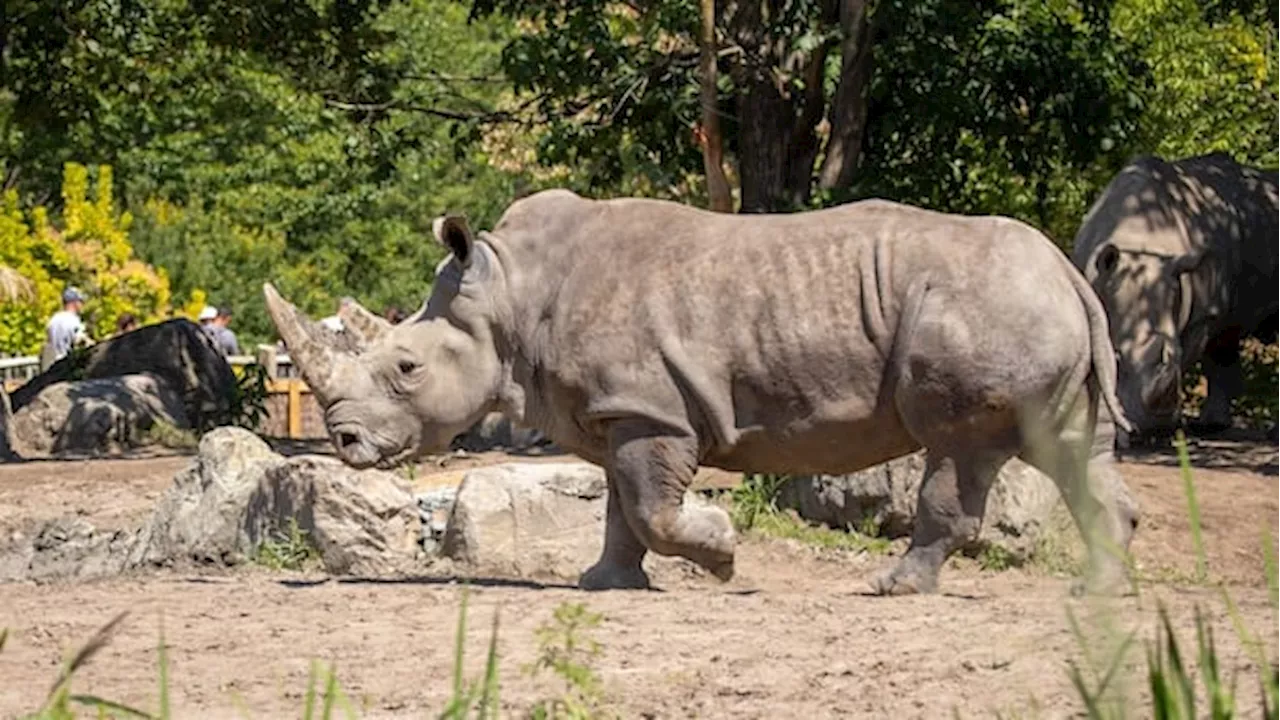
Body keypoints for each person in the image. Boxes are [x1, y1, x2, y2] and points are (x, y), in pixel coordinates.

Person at [43, 286, 91, 367]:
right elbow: (80, 341)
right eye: (81, 301)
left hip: (53, 366)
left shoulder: (53, 320)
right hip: (67, 366)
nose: (82, 304)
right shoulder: (73, 321)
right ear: (74, 302)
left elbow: (48, 342)